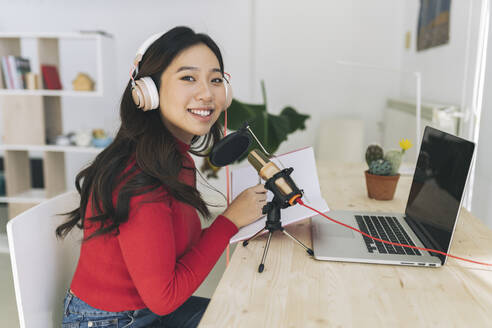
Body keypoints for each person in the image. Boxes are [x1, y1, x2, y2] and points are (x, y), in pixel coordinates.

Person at [57, 26, 267, 328]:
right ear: (148, 92)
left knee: (254, 314)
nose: (207, 93)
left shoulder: (173, 159)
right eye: (188, 78)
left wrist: (239, 221)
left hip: (146, 311)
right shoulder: (140, 179)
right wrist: (229, 222)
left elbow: (175, 255)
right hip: (111, 322)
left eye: (216, 79)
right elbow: (165, 296)